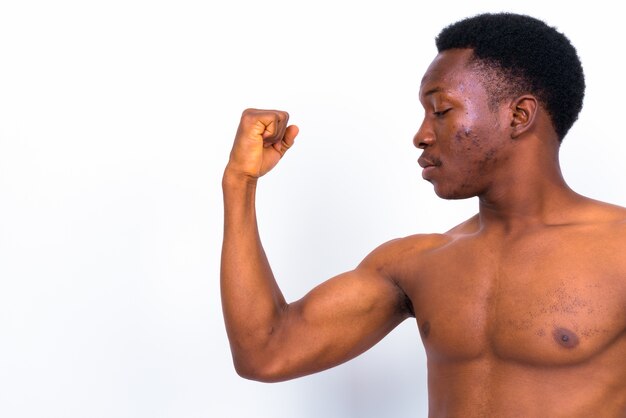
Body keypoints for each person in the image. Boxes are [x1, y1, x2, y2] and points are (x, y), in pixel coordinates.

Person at [220, 13, 626, 417]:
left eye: (441, 110)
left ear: (518, 116)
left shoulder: (618, 249)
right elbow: (265, 352)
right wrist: (240, 183)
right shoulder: (417, 263)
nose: (421, 134)